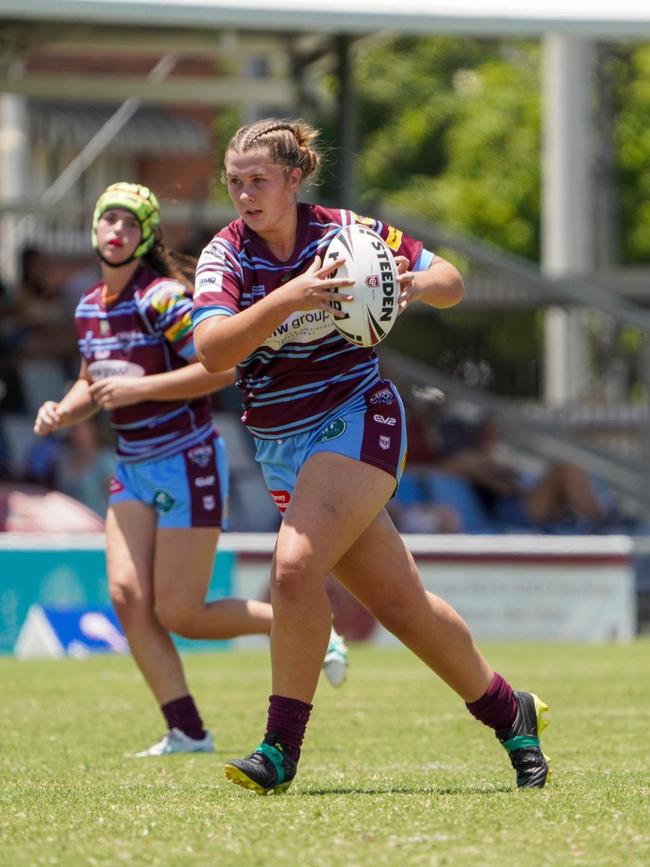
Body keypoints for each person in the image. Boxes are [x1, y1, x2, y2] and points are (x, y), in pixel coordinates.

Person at [192, 118, 550, 794]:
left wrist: (416, 285)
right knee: (403, 605)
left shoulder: (346, 233)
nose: (244, 194)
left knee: (295, 567)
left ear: (295, 179)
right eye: (234, 182)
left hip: (359, 416)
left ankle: (278, 749)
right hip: (279, 445)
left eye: (258, 180)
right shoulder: (227, 256)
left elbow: (449, 277)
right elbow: (213, 348)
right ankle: (513, 712)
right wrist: (289, 298)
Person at [33, 181, 348, 757]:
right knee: (128, 596)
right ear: (94, 229)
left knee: (182, 613)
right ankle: (187, 730)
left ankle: (309, 629)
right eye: (109, 221)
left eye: (130, 224)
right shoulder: (87, 306)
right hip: (132, 466)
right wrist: (62, 408)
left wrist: (139, 389)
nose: (117, 232)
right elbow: (92, 379)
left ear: (145, 234)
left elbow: (219, 370)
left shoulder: (161, 299)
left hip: (186, 460)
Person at [438, 413, 609, 532]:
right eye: (490, 429)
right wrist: (494, 476)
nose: (495, 433)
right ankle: (601, 523)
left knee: (569, 469)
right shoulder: (469, 459)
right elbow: (450, 467)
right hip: (509, 512)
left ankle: (600, 520)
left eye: (496, 429)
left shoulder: (498, 457)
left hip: (519, 500)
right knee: (566, 469)